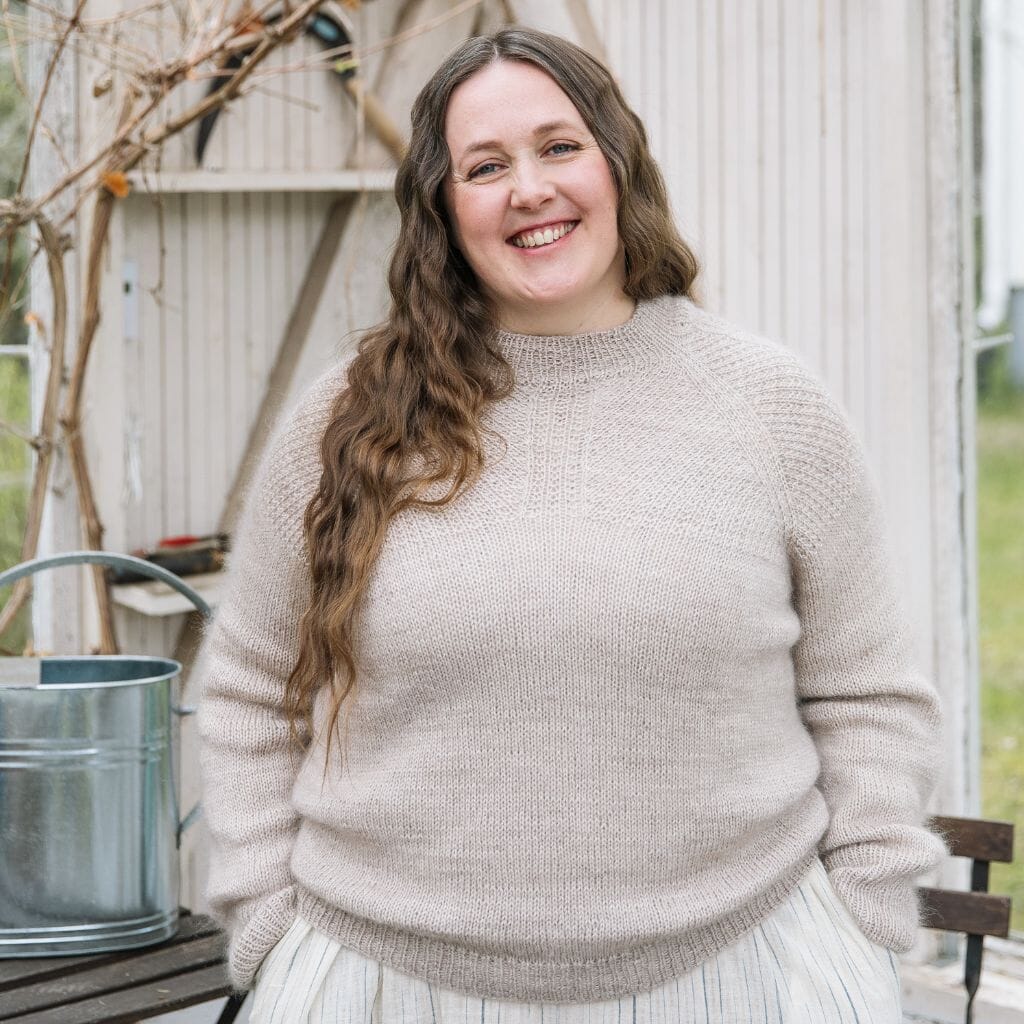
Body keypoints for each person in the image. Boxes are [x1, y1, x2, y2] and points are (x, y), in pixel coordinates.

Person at [197, 26, 948, 1024]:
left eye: (559, 147)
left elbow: (867, 692)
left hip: (745, 972)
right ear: (442, 208)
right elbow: (252, 688)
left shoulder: (772, 407)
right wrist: (266, 920)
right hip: (380, 983)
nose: (529, 189)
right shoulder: (350, 420)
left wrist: (866, 918)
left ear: (617, 162)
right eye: (484, 166)